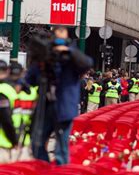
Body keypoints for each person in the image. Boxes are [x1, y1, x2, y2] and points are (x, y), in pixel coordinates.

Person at [26, 26, 93, 165]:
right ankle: (44, 168)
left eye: (62, 34)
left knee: (61, 147)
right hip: (46, 106)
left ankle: (59, 174)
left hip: (63, 107)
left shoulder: (72, 57)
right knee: (36, 142)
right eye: (56, 35)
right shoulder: (45, 58)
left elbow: (87, 63)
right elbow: (30, 79)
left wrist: (68, 52)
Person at [0, 61, 19, 163]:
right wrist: (14, 140)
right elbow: (6, 119)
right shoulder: (8, 90)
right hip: (4, 143)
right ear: (7, 71)